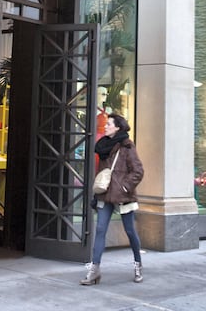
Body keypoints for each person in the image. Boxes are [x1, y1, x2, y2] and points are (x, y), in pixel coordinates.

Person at [80, 112, 144, 285]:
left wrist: (124, 187)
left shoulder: (127, 146)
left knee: (130, 231)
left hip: (123, 195)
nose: (106, 126)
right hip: (105, 193)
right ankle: (95, 270)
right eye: (106, 124)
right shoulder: (102, 146)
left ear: (117, 127)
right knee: (100, 230)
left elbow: (138, 171)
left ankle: (138, 264)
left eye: (109, 124)